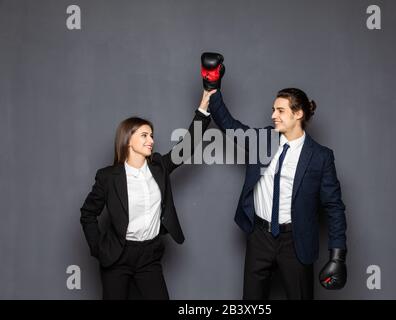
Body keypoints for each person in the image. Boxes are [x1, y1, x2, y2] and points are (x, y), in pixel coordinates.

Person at [199, 52, 347, 300]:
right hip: (260, 238)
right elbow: (228, 124)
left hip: (296, 241)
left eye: (280, 110)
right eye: (273, 110)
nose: (273, 115)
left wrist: (338, 255)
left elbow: (334, 208)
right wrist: (212, 83)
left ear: (298, 114)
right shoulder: (262, 139)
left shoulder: (321, 157)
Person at [80, 101, 213, 299]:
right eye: (144, 135)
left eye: (151, 135)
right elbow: (88, 214)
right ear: (127, 140)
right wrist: (98, 248)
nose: (150, 140)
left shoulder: (159, 166)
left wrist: (203, 106)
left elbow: (186, 147)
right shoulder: (108, 177)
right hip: (118, 255)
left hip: (149, 255)